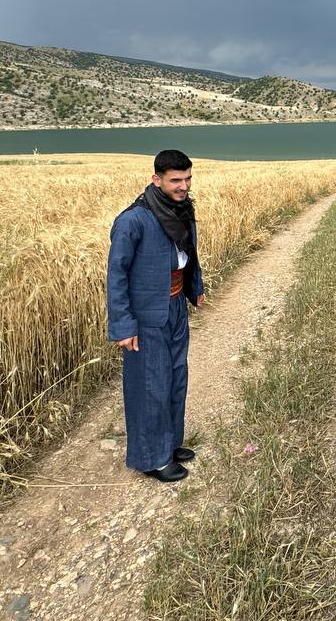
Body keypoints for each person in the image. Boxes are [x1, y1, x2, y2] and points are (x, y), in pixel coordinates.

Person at [107, 149, 205, 482]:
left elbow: (188, 254)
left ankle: (170, 444)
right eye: (176, 180)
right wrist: (123, 324)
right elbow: (116, 275)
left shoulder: (182, 210)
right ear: (156, 180)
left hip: (175, 306)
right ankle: (153, 458)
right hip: (146, 314)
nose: (184, 186)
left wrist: (195, 287)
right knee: (151, 384)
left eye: (188, 178)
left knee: (176, 377)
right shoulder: (133, 220)